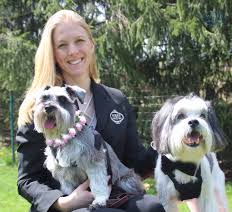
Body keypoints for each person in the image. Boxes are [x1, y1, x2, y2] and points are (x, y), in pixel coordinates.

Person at [16, 10, 165, 212]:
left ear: (91, 44)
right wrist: (63, 203)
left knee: (153, 207)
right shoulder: (38, 107)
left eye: (79, 40)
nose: (73, 51)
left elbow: (134, 159)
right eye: (62, 45)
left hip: (113, 193)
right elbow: (27, 180)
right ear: (52, 53)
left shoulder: (117, 100)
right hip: (65, 201)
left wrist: (165, 144)